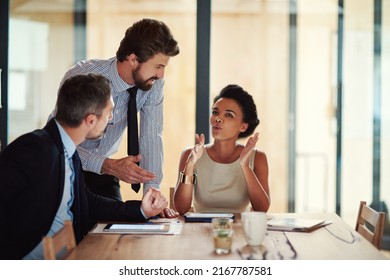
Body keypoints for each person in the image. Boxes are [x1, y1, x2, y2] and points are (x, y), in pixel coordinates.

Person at [0, 74, 168, 260]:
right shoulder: (33, 148)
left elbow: (87, 201)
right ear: (90, 120)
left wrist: (141, 210)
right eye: (109, 112)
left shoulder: (68, 149)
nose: (111, 118)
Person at [49, 18, 179, 217]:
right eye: (158, 66)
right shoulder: (83, 78)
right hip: (66, 167)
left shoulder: (152, 84)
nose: (161, 75)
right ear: (133, 59)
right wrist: (106, 164)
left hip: (106, 174)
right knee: (79, 237)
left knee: (118, 231)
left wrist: (152, 192)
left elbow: (152, 136)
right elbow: (58, 138)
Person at [173, 84, 270, 214]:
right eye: (215, 112)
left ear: (243, 126)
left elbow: (262, 208)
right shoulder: (191, 155)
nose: (218, 118)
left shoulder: (257, 157)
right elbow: (181, 208)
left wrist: (245, 166)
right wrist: (190, 166)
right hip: (200, 230)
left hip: (239, 231)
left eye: (229, 115)